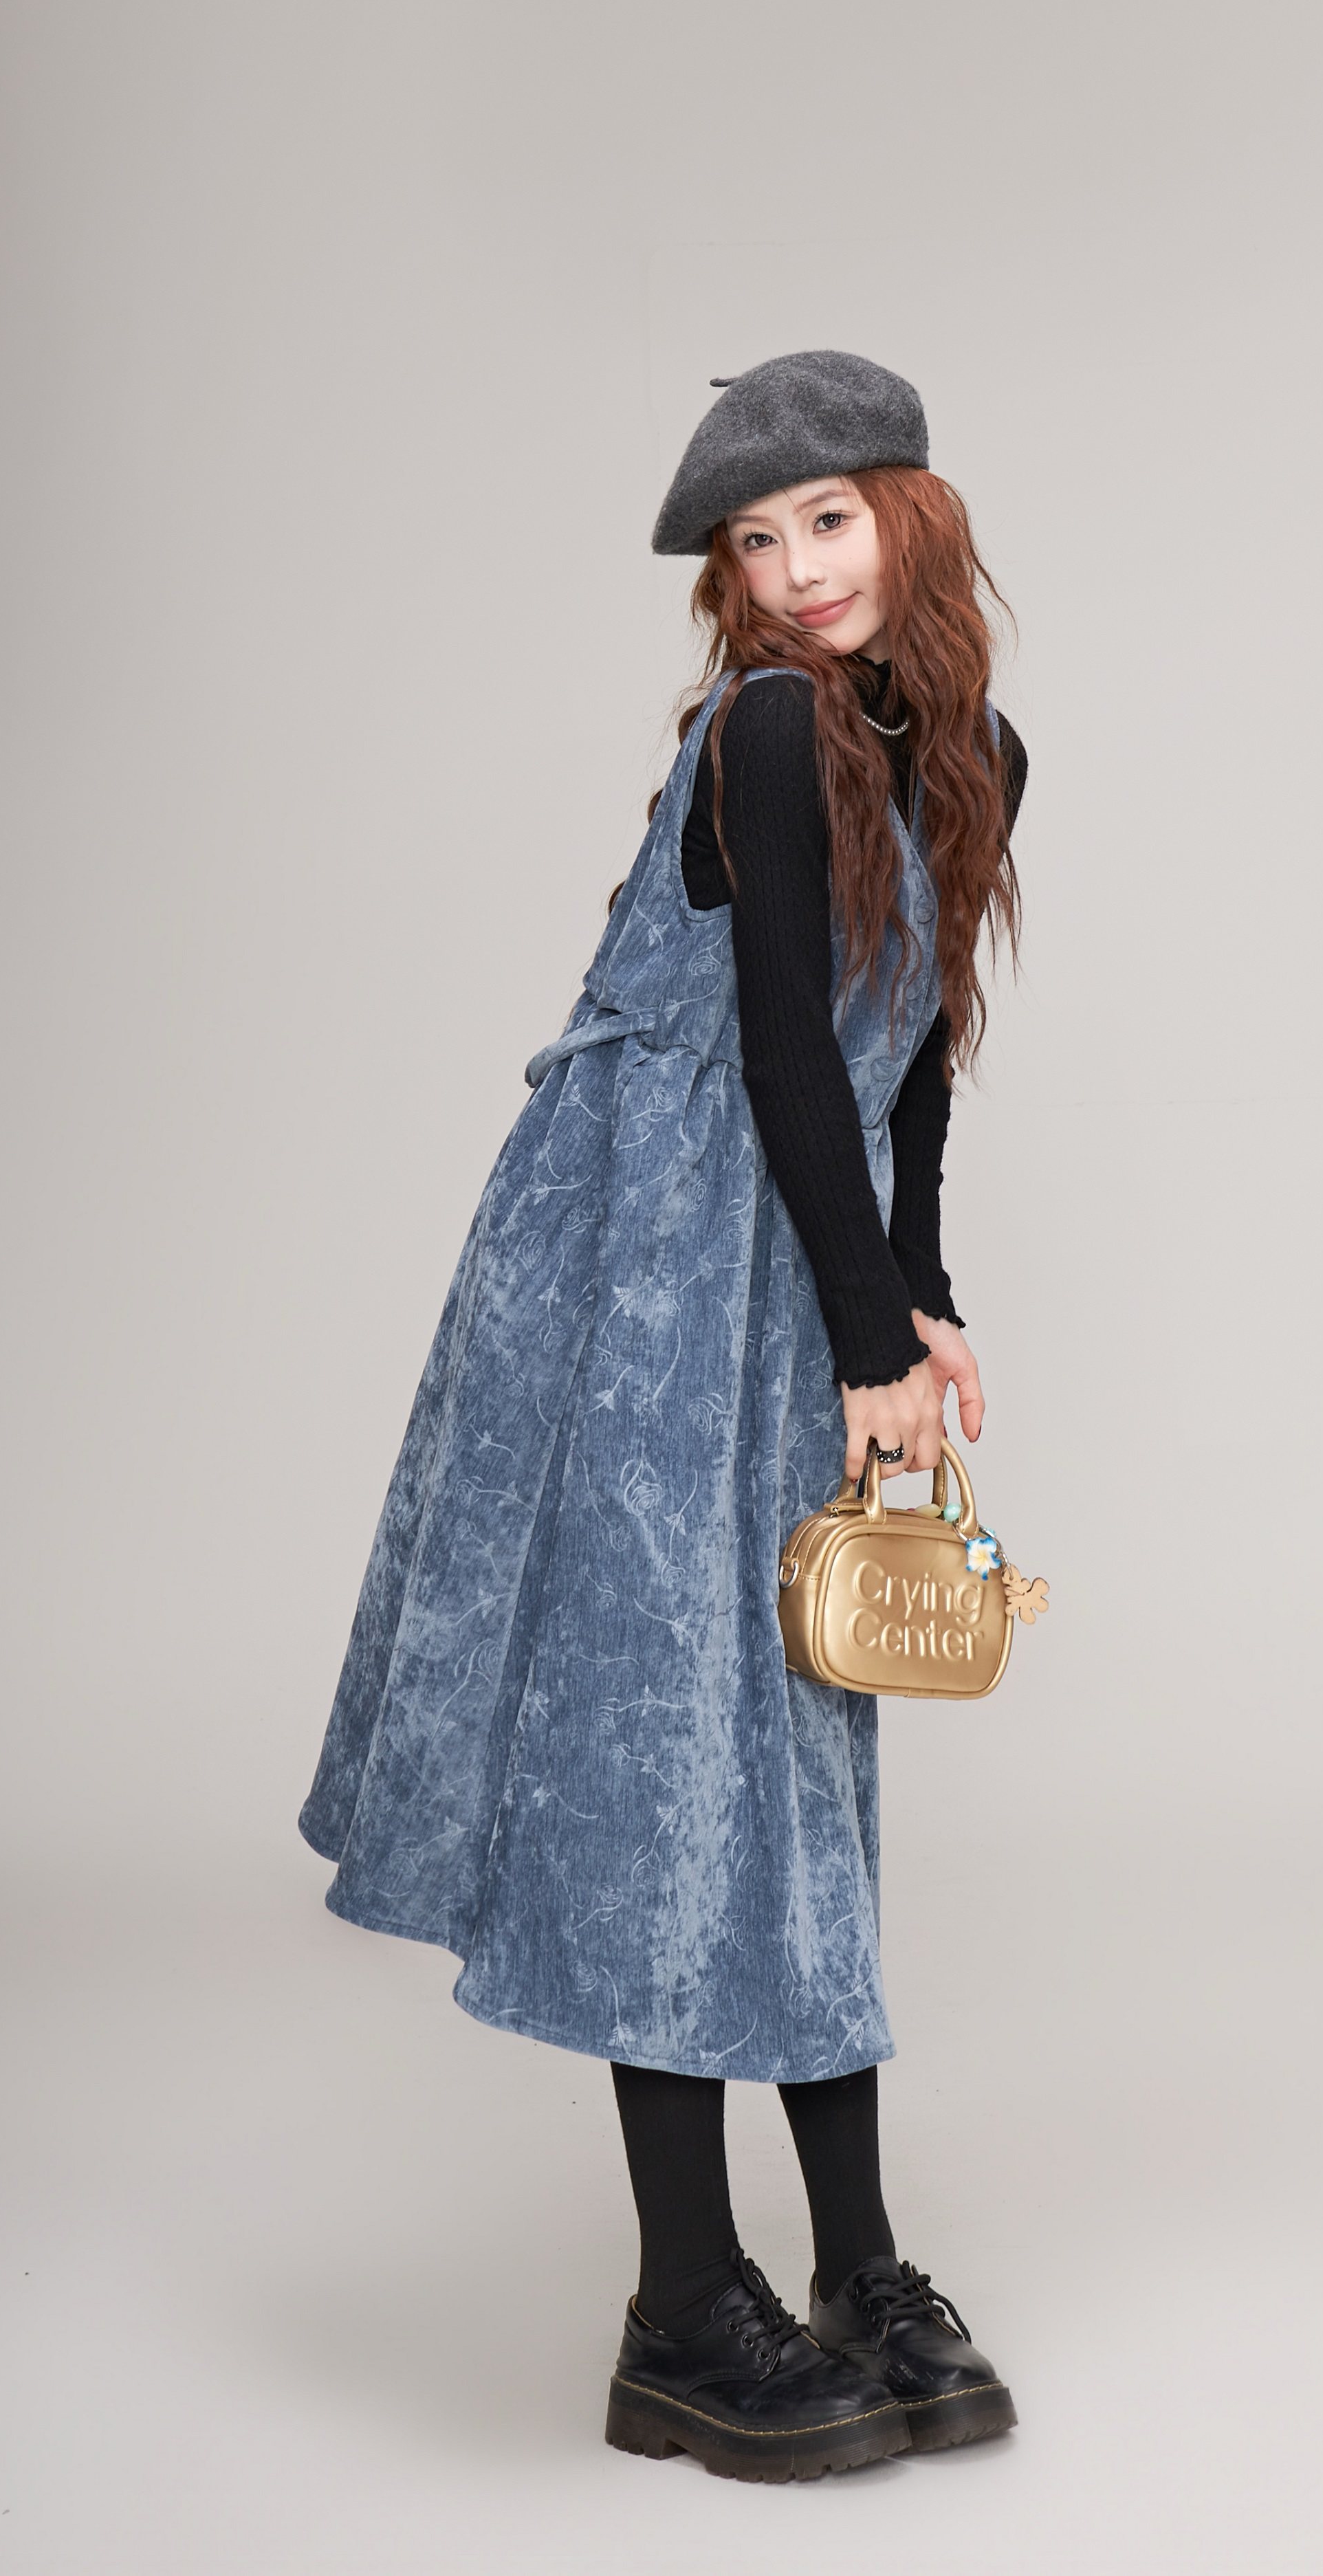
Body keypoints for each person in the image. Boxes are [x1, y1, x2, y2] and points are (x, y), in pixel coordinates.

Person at [299, 350, 1027, 2483]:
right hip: (638, 1263)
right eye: (754, 541)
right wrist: (867, 1334)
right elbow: (783, 1048)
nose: (796, 571)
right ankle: (683, 2305)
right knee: (661, 1765)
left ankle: (855, 2266)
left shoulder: (974, 747)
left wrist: (921, 1293)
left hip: (789, 1254)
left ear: (910, 513)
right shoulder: (764, 729)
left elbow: (907, 1062)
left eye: (828, 519)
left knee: (792, 1761)